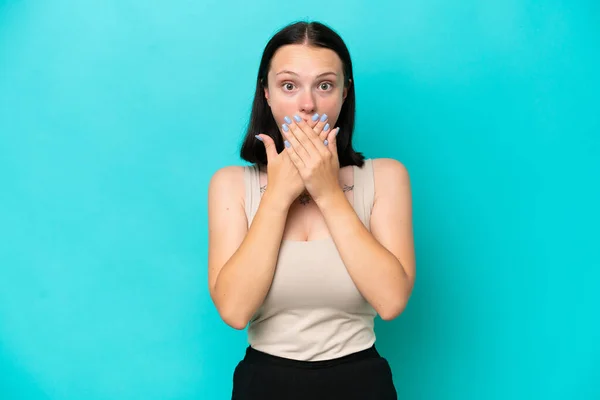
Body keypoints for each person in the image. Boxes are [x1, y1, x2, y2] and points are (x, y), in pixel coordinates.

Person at [207, 20, 416, 400]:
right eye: (289, 85)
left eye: (325, 85)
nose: (308, 104)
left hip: (361, 383)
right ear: (266, 93)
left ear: (344, 94)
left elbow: (391, 301)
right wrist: (277, 196)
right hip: (264, 384)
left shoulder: (386, 177)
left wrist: (328, 192)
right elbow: (235, 311)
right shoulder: (231, 184)